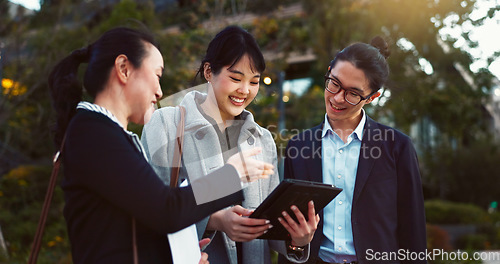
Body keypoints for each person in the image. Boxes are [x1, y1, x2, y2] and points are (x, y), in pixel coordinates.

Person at [48, 26, 274, 264]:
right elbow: (167, 209)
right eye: (156, 75)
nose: (159, 91)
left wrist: (178, 256)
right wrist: (231, 175)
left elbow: (145, 219)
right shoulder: (94, 133)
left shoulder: (103, 132)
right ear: (124, 69)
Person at [141, 25, 319, 264]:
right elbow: (148, 209)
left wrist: (297, 238)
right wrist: (215, 220)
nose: (244, 91)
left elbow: (268, 228)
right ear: (208, 71)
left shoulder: (263, 139)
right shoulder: (166, 124)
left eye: (254, 82)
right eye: (235, 78)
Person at [279, 37, 427, 264]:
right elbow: (289, 226)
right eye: (334, 83)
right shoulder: (299, 146)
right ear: (328, 72)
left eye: (353, 93)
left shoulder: (398, 147)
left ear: (373, 97)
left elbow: (413, 231)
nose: (337, 98)